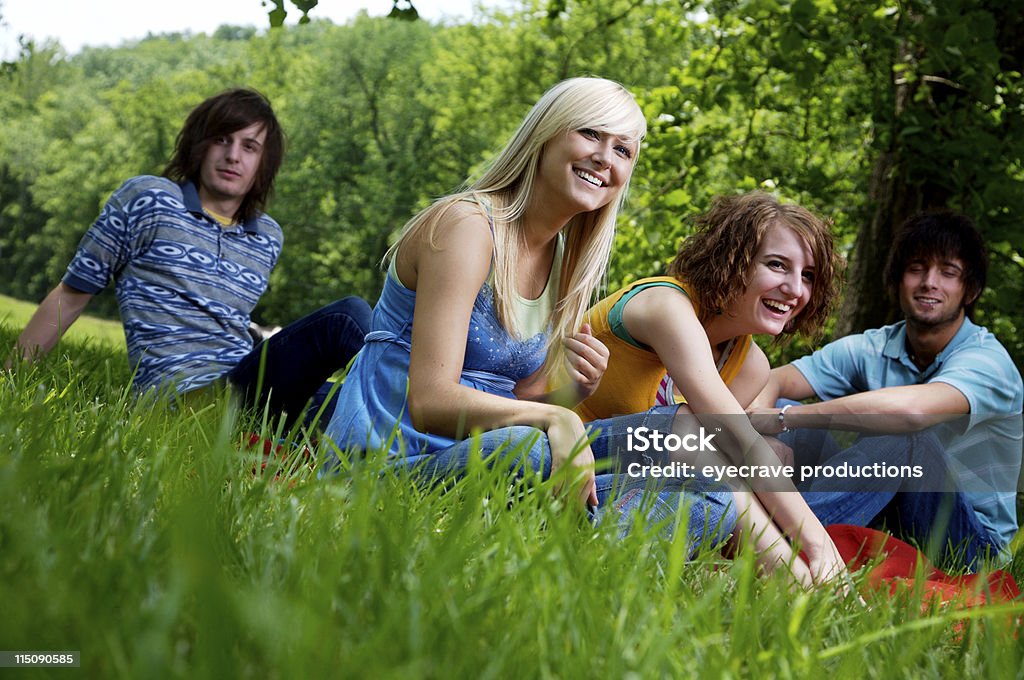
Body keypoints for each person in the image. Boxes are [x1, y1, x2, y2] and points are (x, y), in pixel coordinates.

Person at [324, 77, 735, 551]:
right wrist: (556, 419)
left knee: (690, 440)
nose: (605, 157)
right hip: (388, 464)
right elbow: (431, 402)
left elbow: (506, 395)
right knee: (526, 450)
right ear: (546, 133)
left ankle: (590, 541)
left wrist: (567, 393)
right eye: (590, 134)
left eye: (623, 150)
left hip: (484, 454)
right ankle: (595, 543)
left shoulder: (566, 261)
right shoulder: (467, 226)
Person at [11, 88, 370, 427]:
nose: (233, 156)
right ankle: (420, 386)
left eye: (250, 147)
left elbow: (226, 323)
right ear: (199, 145)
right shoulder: (148, 199)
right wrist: (11, 380)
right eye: (222, 140)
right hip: (183, 403)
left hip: (247, 386)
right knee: (345, 318)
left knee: (376, 419)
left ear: (264, 163)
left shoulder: (267, 237)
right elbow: (72, 294)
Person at [575, 192, 849, 584]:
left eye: (807, 276)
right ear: (731, 260)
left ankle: (801, 589)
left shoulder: (751, 364)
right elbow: (731, 440)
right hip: (565, 454)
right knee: (692, 427)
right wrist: (819, 545)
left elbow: (720, 472)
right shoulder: (665, 304)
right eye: (777, 265)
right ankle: (800, 585)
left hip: (628, 488)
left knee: (718, 476)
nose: (794, 290)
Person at [751, 211, 1023, 569]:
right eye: (916, 268)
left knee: (908, 439)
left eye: (948, 272)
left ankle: (773, 549)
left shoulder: (988, 361)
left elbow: (912, 413)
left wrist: (787, 418)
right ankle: (746, 521)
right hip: (892, 520)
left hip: (972, 545)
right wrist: (765, 435)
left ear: (969, 290)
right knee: (788, 418)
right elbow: (772, 380)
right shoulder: (876, 346)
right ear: (897, 280)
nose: (929, 282)